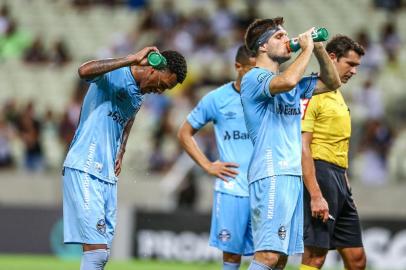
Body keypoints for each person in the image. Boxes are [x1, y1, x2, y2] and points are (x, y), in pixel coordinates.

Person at [62, 46, 187, 270]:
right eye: (162, 85)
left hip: (107, 176)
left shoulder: (137, 98)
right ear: (153, 68)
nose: (160, 91)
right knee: (97, 253)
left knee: (102, 255)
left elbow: (128, 119)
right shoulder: (117, 72)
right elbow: (83, 71)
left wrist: (122, 149)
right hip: (86, 166)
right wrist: (130, 59)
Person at [240, 18, 341, 270]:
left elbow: (332, 82)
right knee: (268, 256)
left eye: (287, 36)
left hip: (291, 175)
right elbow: (287, 81)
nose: (287, 40)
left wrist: (317, 48)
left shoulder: (288, 83)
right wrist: (305, 49)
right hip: (271, 172)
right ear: (262, 47)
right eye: (279, 37)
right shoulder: (254, 77)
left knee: (281, 259)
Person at [177, 45, 255, 270]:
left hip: (265, 188)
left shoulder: (268, 97)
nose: (256, 76)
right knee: (231, 259)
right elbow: (184, 132)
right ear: (237, 67)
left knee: (271, 255)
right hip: (232, 188)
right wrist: (207, 165)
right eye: (251, 70)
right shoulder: (217, 99)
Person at [300, 35, 366, 270]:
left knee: (356, 259)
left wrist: (345, 185)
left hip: (339, 177)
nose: (354, 71)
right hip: (320, 173)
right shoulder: (312, 93)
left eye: (357, 66)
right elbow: (303, 146)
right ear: (331, 58)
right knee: (315, 256)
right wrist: (316, 194)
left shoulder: (336, 93)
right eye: (351, 64)